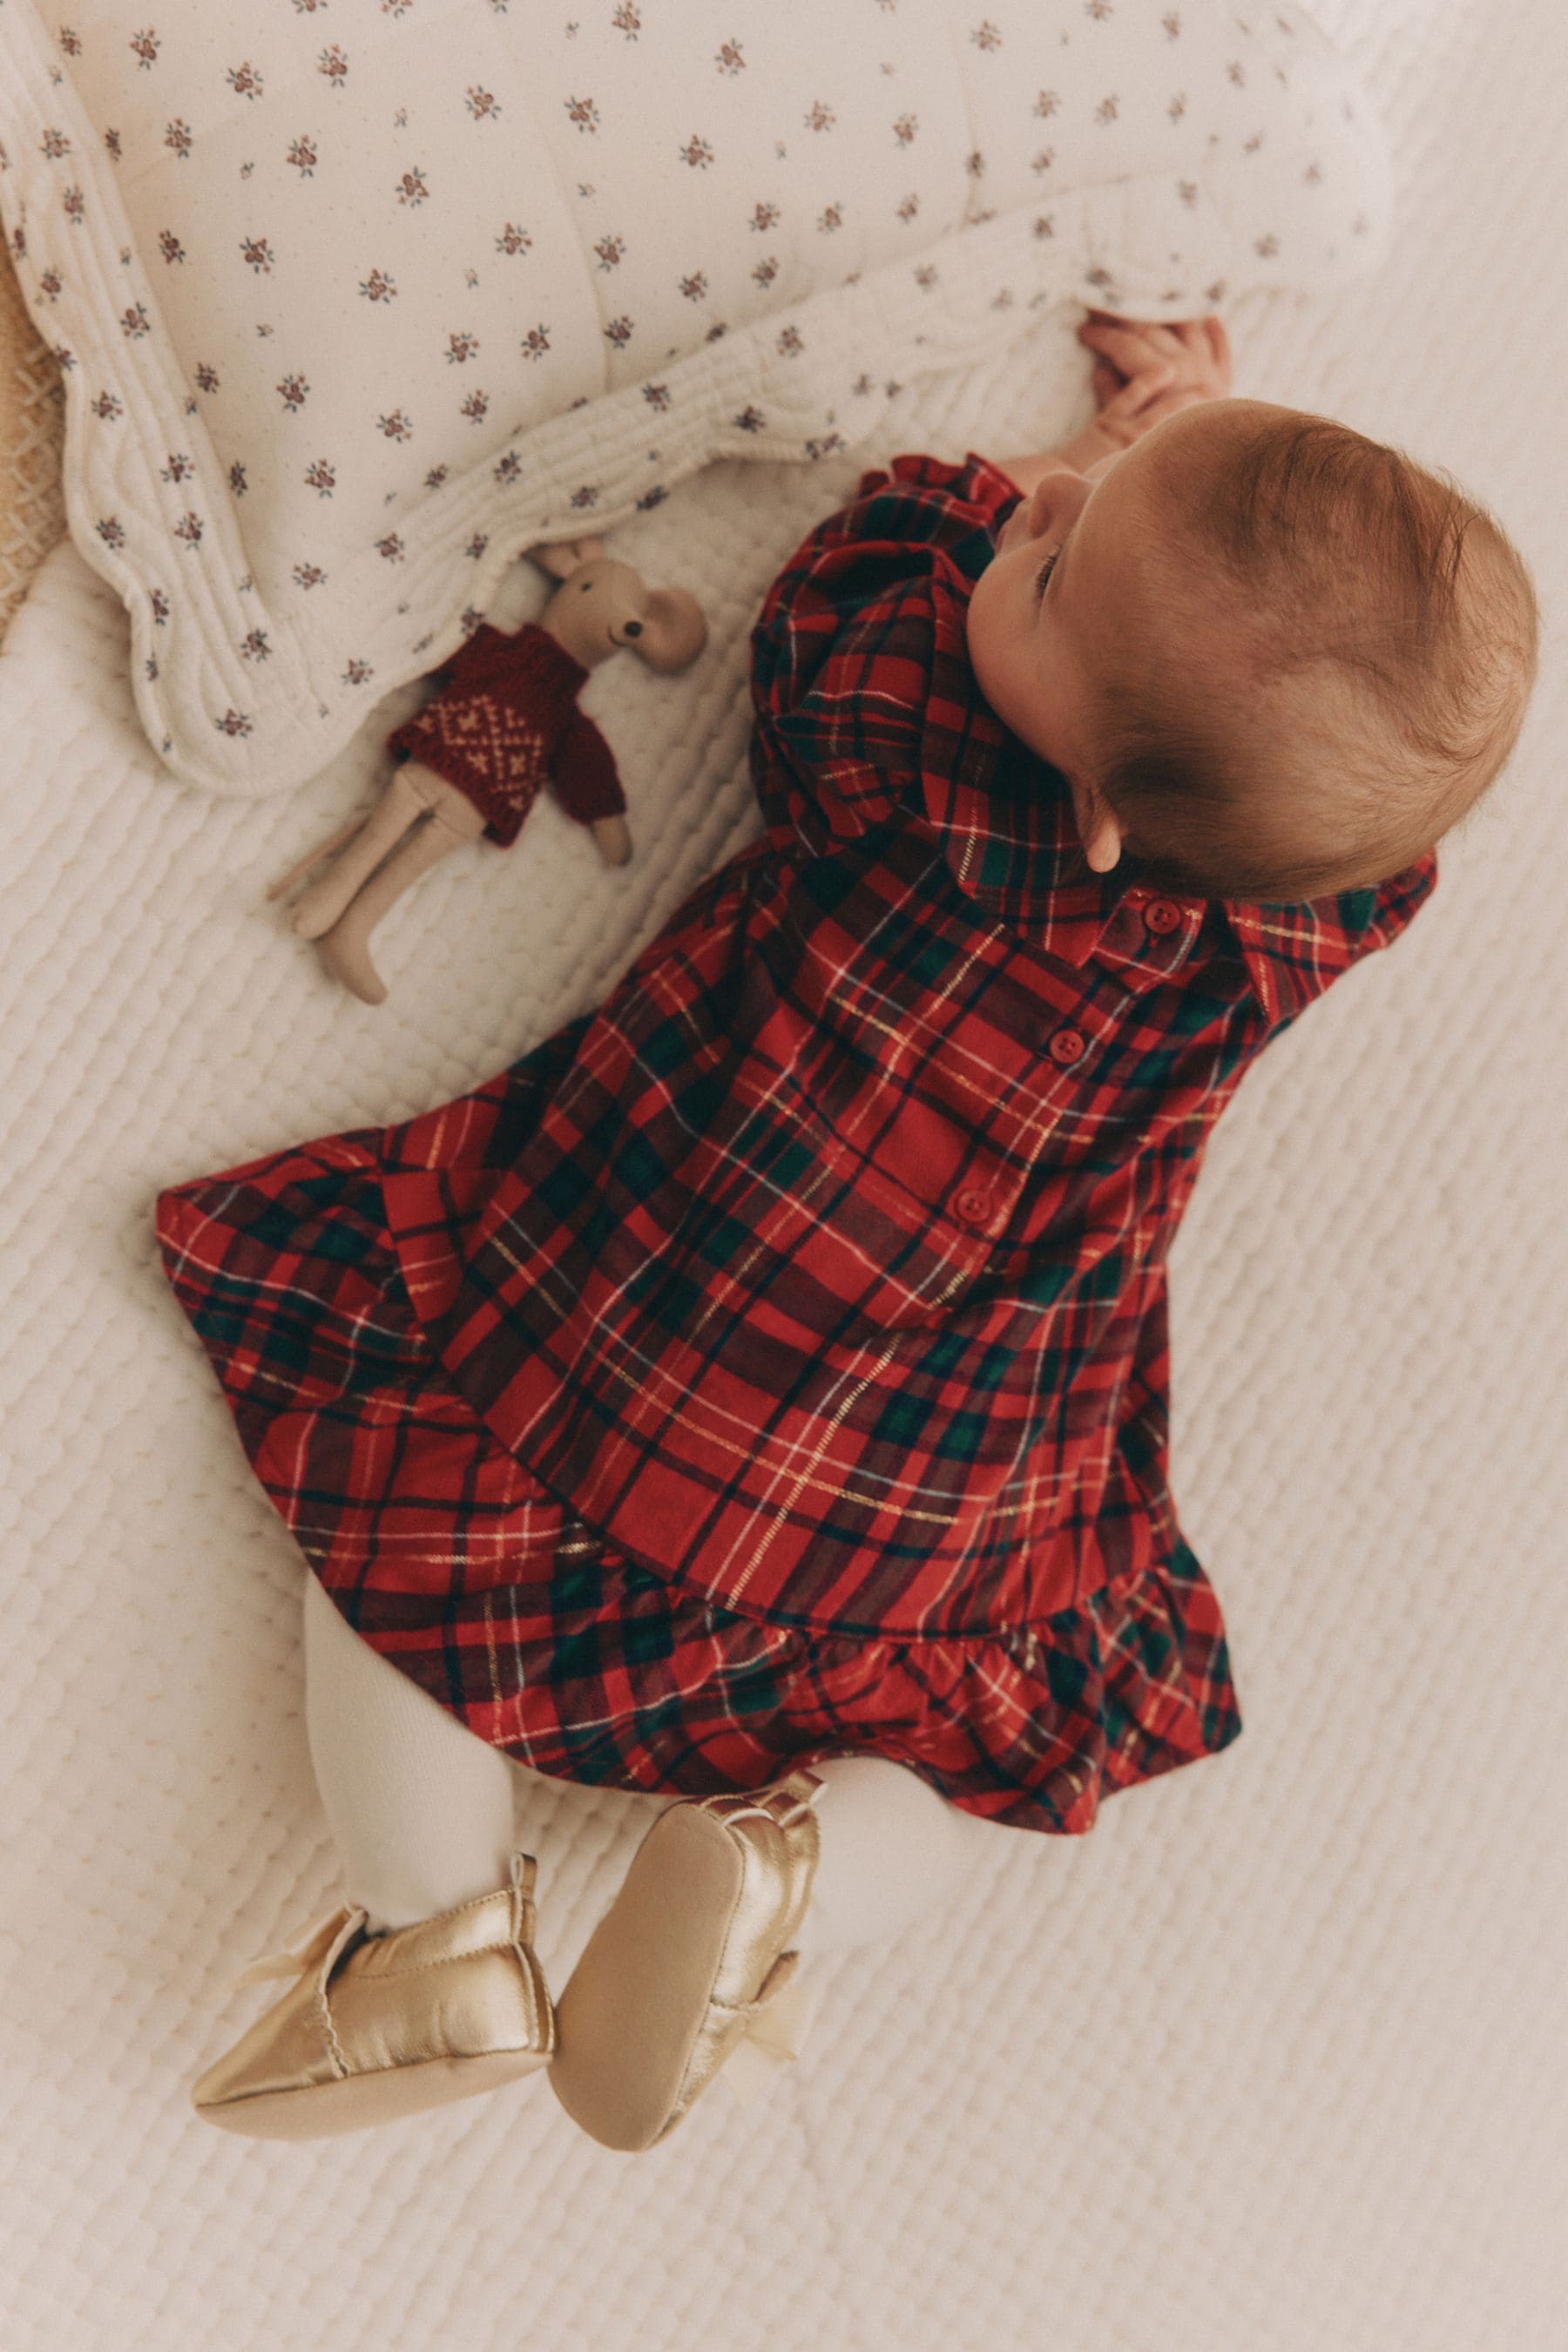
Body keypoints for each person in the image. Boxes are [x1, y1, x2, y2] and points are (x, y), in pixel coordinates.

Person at [156, 312, 1539, 2149]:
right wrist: (1162, 498)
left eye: (1053, 573)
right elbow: (1368, 817)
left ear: (1108, 813)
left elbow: (866, 562)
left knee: (396, 1529)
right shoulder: (1262, 944)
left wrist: (1052, 482)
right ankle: (782, 1873)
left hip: (629, 1360)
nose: (1039, 524)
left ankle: (440, 1934)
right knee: (993, 1766)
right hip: (944, 1490)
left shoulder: (904, 757)